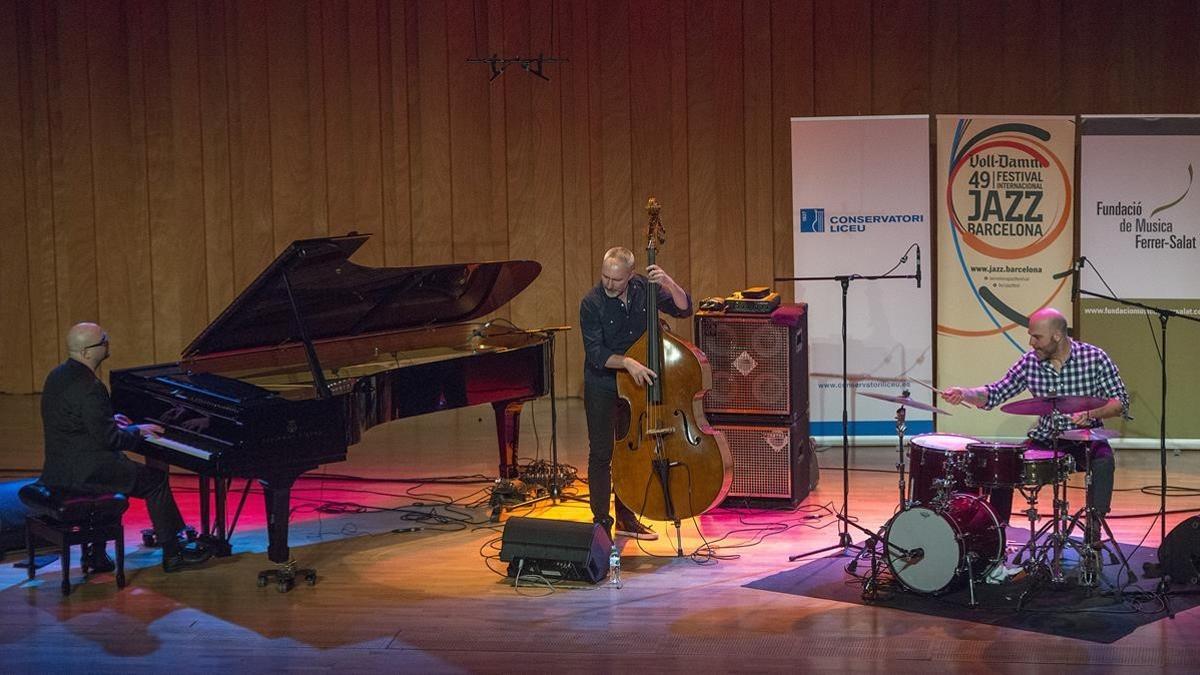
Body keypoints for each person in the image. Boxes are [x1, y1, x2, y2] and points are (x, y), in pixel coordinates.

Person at [941, 308, 1129, 539]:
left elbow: (1120, 401)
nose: (1031, 343)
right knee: (1005, 465)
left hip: (1085, 438)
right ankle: (996, 536)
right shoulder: (1029, 363)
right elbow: (996, 392)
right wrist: (966, 393)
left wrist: (1092, 412)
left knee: (1104, 462)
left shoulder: (1095, 357)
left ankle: (1093, 529)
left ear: (1057, 336)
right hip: (1045, 438)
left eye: (1037, 337)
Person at [39, 322, 210, 572]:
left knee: (127, 475)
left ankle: (96, 555)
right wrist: (137, 431)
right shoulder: (91, 387)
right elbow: (111, 441)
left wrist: (112, 422)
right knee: (156, 481)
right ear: (87, 352)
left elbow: (78, 424)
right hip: (88, 471)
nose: (107, 343)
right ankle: (173, 553)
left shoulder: (57, 375)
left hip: (59, 468)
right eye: (103, 340)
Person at [580, 247, 693, 540]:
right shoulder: (591, 303)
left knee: (630, 453)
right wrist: (627, 362)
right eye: (605, 276)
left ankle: (626, 520)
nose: (608, 284)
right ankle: (601, 523)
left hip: (635, 387)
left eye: (616, 279)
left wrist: (668, 282)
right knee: (602, 453)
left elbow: (684, 308)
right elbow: (596, 354)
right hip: (603, 385)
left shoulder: (645, 289)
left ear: (631, 275)